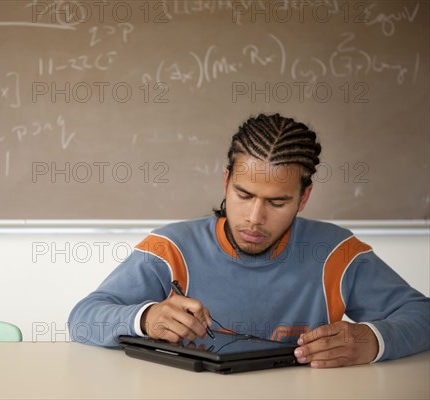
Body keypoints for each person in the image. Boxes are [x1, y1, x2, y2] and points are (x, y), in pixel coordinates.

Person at [68, 113, 430, 368]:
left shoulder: (336, 252)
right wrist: (145, 318)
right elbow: (82, 319)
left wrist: (375, 340)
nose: (255, 218)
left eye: (277, 202)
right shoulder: (169, 248)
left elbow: (423, 316)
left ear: (303, 199)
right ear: (226, 181)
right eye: (243, 195)